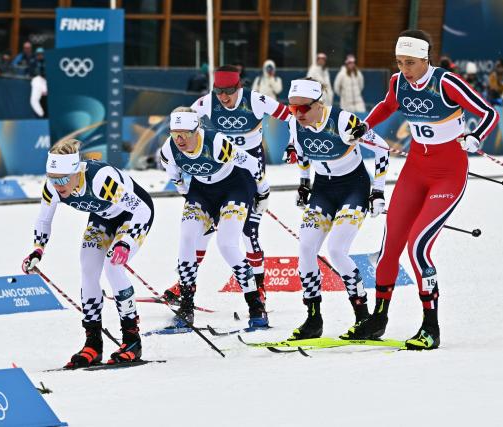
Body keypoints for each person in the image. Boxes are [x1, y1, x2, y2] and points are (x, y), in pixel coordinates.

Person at [344, 29, 499, 350]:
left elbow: (488, 112)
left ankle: (431, 327)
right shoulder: (398, 82)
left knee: (418, 247)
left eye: (410, 62)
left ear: (425, 58)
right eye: (399, 62)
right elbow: (388, 106)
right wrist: (364, 125)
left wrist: (476, 137)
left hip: (448, 174)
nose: (404, 69)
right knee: (389, 248)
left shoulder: (445, 82)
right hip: (415, 169)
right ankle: (378, 319)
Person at [162, 65, 290, 304]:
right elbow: (185, 124)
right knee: (203, 231)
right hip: (219, 164)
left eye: (228, 91)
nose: (223, 97)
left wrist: (293, 144)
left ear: (239, 87)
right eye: (219, 91)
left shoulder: (256, 100)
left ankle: (258, 286)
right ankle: (185, 284)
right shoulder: (206, 103)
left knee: (247, 230)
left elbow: (291, 116)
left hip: (248, 168)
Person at [21, 139, 154, 367]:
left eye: (63, 179)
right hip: (103, 217)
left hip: (132, 217)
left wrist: (126, 242)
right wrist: (37, 250)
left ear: (76, 172)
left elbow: (141, 209)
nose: (58, 185)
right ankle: (93, 343)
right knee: (88, 269)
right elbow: (44, 219)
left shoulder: (101, 179)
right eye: (53, 179)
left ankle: (132, 340)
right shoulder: (53, 185)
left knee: (113, 266)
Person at [286, 78, 389, 339]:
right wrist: (304, 184)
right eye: (292, 108)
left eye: (303, 109)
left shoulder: (344, 122)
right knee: (306, 249)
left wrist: (377, 191)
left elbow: (383, 150)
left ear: (319, 104)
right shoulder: (294, 123)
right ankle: (313, 320)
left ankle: (363, 317)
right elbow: (302, 155)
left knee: (336, 250)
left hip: (353, 188)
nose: (297, 115)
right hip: (322, 190)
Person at [159, 107, 270, 329]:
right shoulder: (169, 151)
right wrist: (200, 212)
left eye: (185, 134)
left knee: (227, 244)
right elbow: (177, 179)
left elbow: (252, 164)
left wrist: (263, 193)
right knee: (188, 238)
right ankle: (187, 307)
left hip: (235, 187)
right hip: (202, 191)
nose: (179, 140)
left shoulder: (217, 143)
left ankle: (256, 306)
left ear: (197, 130)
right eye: (174, 134)